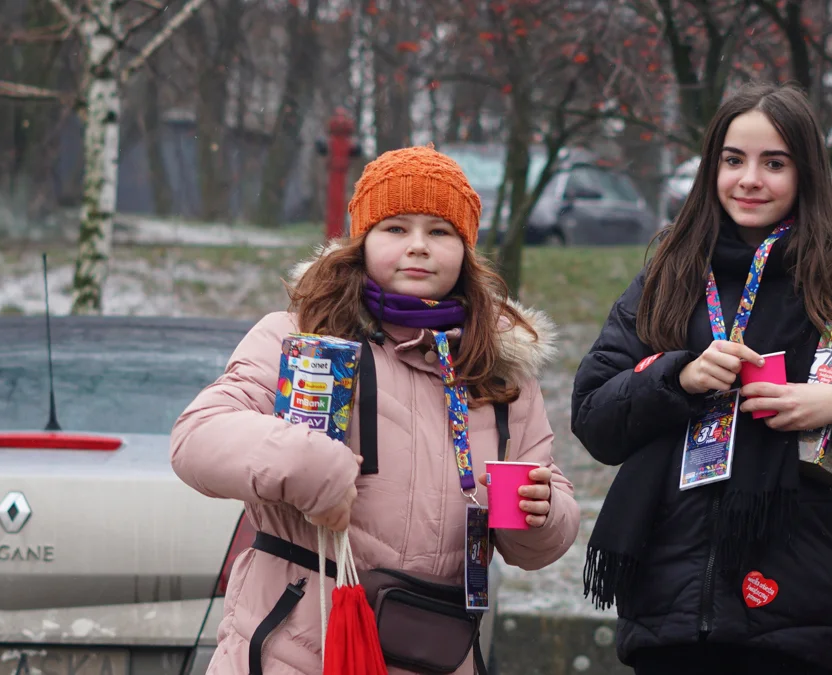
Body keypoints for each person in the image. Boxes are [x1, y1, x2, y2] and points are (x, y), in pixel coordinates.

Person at [572, 83, 832, 674]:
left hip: (798, 609)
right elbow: (595, 417)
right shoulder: (670, 275)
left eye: (773, 163)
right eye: (733, 160)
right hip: (667, 610)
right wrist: (677, 378)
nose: (749, 179)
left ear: (806, 173)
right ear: (712, 170)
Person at [171, 146, 580, 675]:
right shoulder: (300, 336)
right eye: (395, 228)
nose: (418, 247)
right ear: (361, 241)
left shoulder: (499, 373)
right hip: (298, 653)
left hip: (439, 654)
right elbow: (197, 438)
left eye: (440, 231)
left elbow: (544, 528)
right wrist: (308, 465)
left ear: (466, 248)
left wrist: (542, 514)